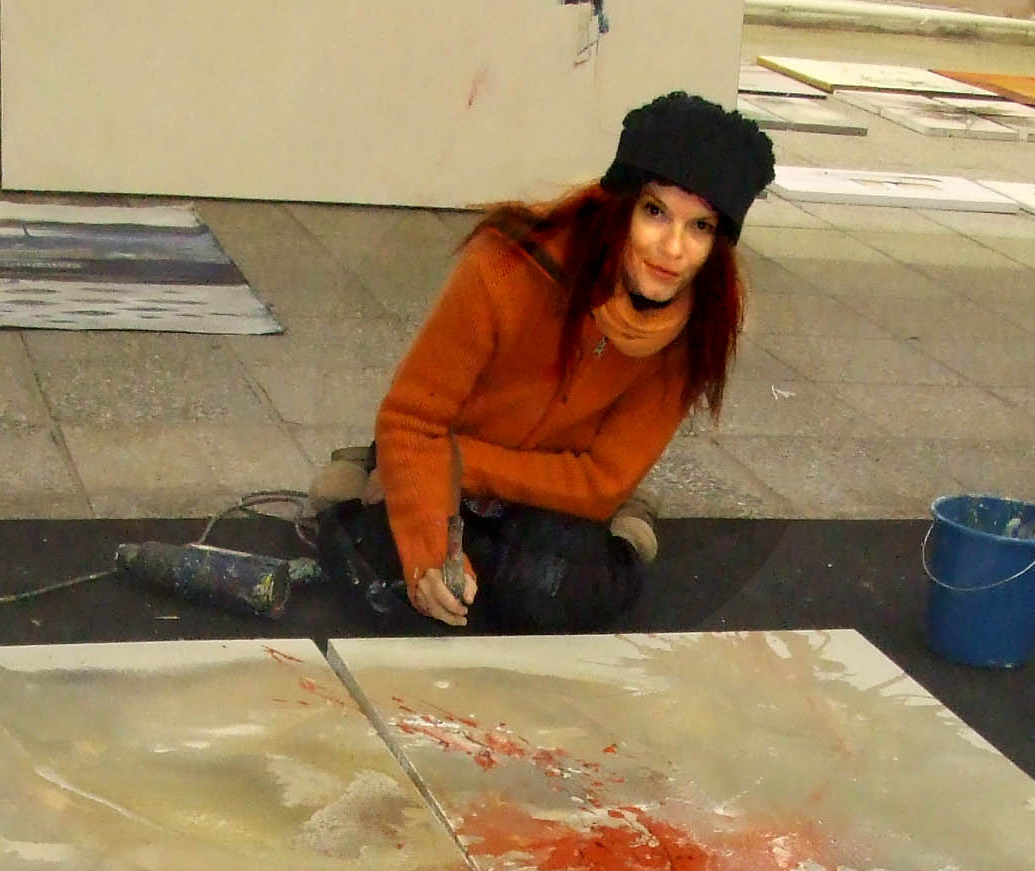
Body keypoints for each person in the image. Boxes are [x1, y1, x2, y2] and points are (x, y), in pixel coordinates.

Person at [309, 92, 775, 633]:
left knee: (553, 593)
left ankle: (626, 520)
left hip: (551, 495)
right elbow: (414, 421)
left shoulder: (696, 333)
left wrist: (463, 463)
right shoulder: (505, 269)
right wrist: (429, 552)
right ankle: (372, 477)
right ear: (619, 207)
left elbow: (600, 479)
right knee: (389, 578)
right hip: (451, 461)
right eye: (655, 212)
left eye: (701, 227)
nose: (673, 248)